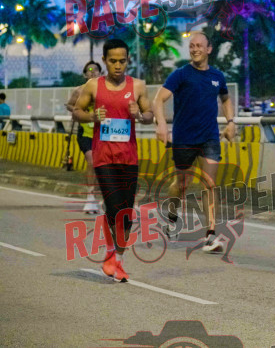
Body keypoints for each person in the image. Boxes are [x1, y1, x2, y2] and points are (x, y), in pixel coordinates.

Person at [73, 39, 154, 282]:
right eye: (112, 61)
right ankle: (112, 254)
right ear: (104, 60)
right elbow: (77, 112)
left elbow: (150, 115)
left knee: (126, 215)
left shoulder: (137, 85)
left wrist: (139, 115)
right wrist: (92, 117)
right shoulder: (93, 85)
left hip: (128, 157)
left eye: (122, 61)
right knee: (115, 207)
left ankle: (117, 259)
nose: (118, 65)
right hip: (103, 156)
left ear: (128, 60)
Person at [153, 32, 236, 253]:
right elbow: (158, 99)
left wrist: (231, 122)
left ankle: (210, 235)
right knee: (181, 185)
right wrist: (161, 125)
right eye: (192, 46)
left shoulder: (217, 76)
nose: (195, 49)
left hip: (209, 137)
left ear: (209, 49)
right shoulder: (180, 75)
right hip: (184, 138)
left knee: (210, 184)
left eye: (199, 45)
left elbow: (225, 99)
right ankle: (172, 217)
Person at [66, 61, 104, 214]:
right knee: (92, 161)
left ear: (101, 73)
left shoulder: (107, 90)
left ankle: (107, 198)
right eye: (89, 70)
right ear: (85, 74)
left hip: (103, 133)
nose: (93, 72)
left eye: (96, 70)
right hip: (85, 132)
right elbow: (69, 105)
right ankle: (90, 197)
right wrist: (81, 112)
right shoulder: (79, 90)